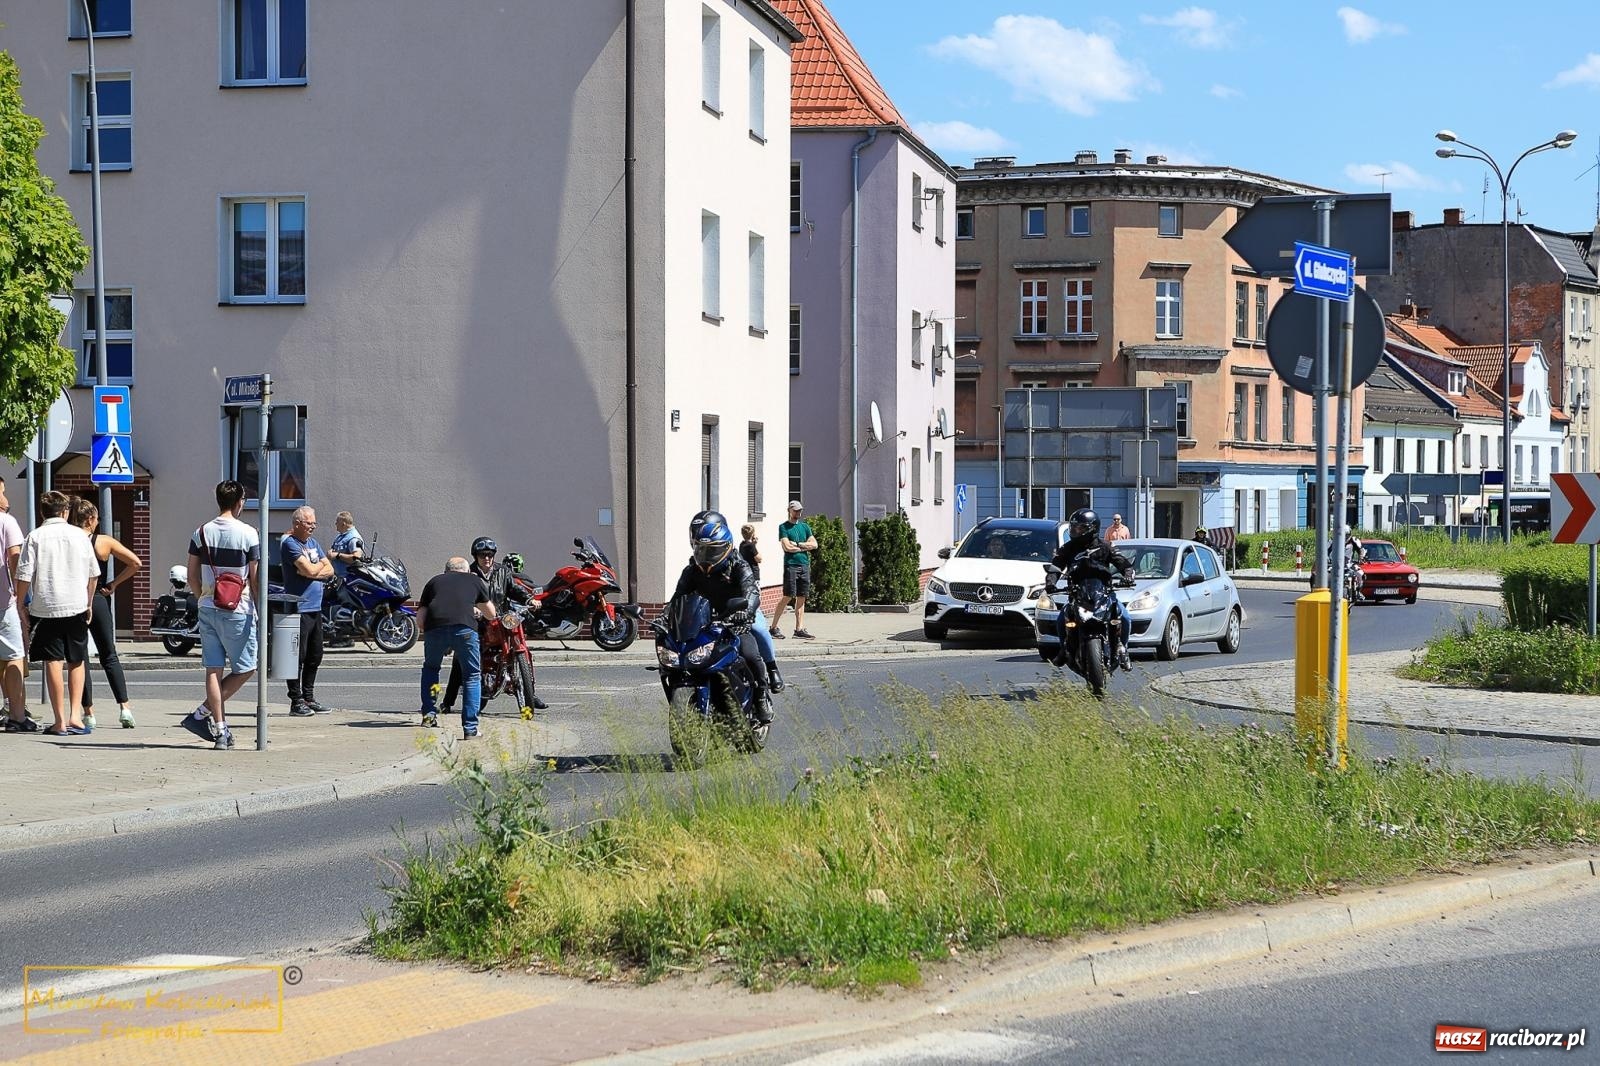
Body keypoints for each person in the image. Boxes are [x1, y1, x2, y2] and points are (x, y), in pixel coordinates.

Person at [671, 510, 782, 721]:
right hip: (707, 620)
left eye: (710, 551)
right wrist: (665, 617)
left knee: (751, 647)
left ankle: (763, 689)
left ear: (725, 546)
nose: (705, 556)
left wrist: (746, 612)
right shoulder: (692, 570)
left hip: (737, 616)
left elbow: (751, 591)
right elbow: (679, 597)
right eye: (701, 550)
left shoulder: (739, 565)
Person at [15, 491, 99, 736]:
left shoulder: (35, 536)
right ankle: (76, 716)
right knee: (77, 660)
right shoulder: (79, 535)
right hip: (76, 605)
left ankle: (59, 720)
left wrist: (20, 604)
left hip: (47, 606)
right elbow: (93, 574)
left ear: (42, 512)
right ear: (65, 512)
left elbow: (24, 575)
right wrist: (89, 602)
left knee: (53, 661)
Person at [186, 480, 259, 750]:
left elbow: (192, 575)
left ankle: (220, 730)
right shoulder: (249, 534)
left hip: (208, 607)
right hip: (238, 609)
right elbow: (255, 577)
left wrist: (202, 597)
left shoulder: (201, 532)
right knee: (247, 667)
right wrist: (259, 608)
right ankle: (200, 715)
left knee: (213, 670)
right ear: (239, 501)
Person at [440, 537, 546, 713]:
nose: (487, 558)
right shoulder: (469, 573)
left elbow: (514, 589)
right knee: (461, 656)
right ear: (476, 556)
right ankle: (448, 701)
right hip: (478, 623)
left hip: (502, 619)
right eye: (482, 555)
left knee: (524, 651)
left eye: (490, 554)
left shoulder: (503, 571)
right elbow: (462, 595)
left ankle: (529, 692)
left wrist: (529, 599)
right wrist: (472, 609)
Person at [70, 498, 140, 730]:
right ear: (90, 519)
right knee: (109, 654)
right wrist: (114, 584)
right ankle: (125, 709)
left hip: (74, 600)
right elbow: (135, 562)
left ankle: (88, 712)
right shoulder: (103, 542)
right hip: (98, 599)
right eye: (97, 518)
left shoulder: (69, 539)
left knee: (80, 658)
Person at [416, 557, 496, 738]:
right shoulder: (474, 580)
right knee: (472, 676)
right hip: (465, 630)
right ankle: (470, 728)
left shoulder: (433, 582)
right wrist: (475, 609)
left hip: (435, 629)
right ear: (467, 571)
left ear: (446, 571)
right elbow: (491, 614)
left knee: (431, 669)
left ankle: (429, 716)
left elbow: (420, 621)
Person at [1050, 508, 1136, 671]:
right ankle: (1065, 648)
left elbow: (1123, 563)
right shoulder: (1068, 548)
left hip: (1103, 593)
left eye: (1080, 528)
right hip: (1077, 594)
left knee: (1124, 616)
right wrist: (1050, 582)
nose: (1075, 531)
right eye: (1074, 527)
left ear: (1092, 528)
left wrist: (1128, 575)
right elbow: (1056, 567)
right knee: (1062, 619)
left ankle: (1122, 648)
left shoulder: (1106, 546)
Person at [280, 506, 335, 716]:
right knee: (296, 656)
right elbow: (310, 569)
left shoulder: (312, 543)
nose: (313, 527)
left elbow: (328, 568)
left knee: (315, 655)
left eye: (314, 523)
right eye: (309, 523)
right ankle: (296, 700)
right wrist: (315, 572)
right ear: (297, 524)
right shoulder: (290, 544)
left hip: (315, 607)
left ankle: (309, 697)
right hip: (297, 608)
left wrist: (315, 573)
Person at [0, 479, 35, 733]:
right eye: (2, 492)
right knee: (13, 657)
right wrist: (21, 594)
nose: (5, 498)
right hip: (3, 601)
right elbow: (15, 558)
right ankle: (17, 715)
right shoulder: (6, 522)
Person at [771, 501, 817, 639]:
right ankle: (773, 627)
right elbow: (787, 547)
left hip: (804, 564)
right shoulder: (784, 527)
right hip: (791, 565)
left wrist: (798, 544)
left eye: (800, 510)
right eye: (796, 510)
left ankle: (799, 628)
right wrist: (804, 547)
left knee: (802, 596)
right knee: (788, 595)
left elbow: (814, 544)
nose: (798, 513)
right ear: (789, 510)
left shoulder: (805, 527)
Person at [328, 511, 363, 579]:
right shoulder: (341, 535)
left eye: (337, 522)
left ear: (343, 524)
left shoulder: (354, 538)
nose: (335, 524)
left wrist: (338, 555)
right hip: (337, 577)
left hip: (347, 580)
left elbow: (356, 558)